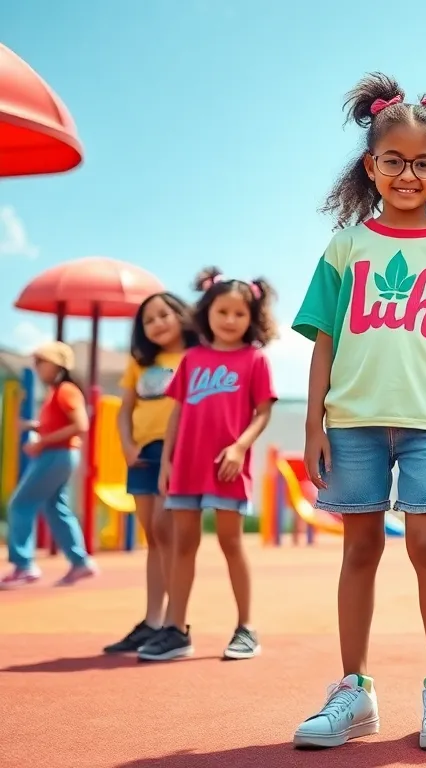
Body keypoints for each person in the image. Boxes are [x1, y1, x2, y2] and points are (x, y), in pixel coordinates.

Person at [290, 72, 426, 751]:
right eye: (393, 160)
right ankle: (353, 691)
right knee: (358, 550)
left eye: (423, 163)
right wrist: (311, 422)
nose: (407, 173)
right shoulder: (346, 246)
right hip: (351, 422)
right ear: (370, 165)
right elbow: (324, 339)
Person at [136, 269, 278, 663]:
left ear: (252, 318)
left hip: (227, 467)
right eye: (223, 311)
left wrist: (238, 448)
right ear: (207, 312)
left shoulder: (254, 359)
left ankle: (245, 627)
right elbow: (177, 412)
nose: (230, 320)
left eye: (240, 313)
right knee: (183, 545)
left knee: (231, 543)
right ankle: (176, 629)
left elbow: (262, 412)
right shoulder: (192, 358)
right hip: (186, 466)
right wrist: (166, 461)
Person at [105, 292, 200, 653]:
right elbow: (124, 409)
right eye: (148, 320)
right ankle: (152, 621)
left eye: (163, 315)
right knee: (153, 538)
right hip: (142, 453)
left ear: (180, 315)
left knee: (168, 532)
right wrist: (128, 445)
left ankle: (177, 623)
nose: (157, 324)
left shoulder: (194, 356)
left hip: (175, 452)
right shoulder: (140, 362)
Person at [1, 341, 98, 588]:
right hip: (59, 456)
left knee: (20, 504)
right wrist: (34, 427)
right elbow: (60, 424)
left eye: (41, 362)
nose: (37, 367)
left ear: (58, 364)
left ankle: (24, 565)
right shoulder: (56, 393)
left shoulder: (65, 390)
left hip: (55, 456)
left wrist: (41, 441)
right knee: (56, 508)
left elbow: (80, 425)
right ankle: (80, 562)